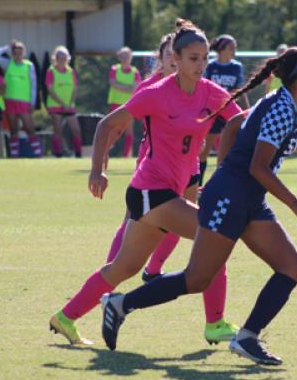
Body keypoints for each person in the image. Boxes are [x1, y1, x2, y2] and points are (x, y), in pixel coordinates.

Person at [100, 46, 297, 366]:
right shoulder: (281, 107)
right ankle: (120, 304)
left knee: (292, 267)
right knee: (197, 278)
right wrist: (296, 205)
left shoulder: (283, 103)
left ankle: (247, 338)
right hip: (232, 198)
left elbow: (235, 125)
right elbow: (258, 167)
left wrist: (224, 169)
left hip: (248, 198)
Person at [49, 19, 242, 346]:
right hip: (150, 191)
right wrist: (97, 170)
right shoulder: (155, 94)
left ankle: (65, 318)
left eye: (205, 57)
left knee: (122, 268)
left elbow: (239, 121)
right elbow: (106, 126)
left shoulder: (210, 92)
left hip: (163, 194)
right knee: (214, 235)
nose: (200, 65)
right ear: (175, 60)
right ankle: (215, 323)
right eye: (193, 58)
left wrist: (275, 132)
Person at [199, 34, 249, 185]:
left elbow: (241, 90)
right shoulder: (211, 66)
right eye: (231, 47)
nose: (234, 50)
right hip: (213, 112)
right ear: (221, 49)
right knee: (204, 151)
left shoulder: (236, 67)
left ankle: (222, 184)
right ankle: (198, 185)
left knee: (230, 150)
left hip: (229, 112)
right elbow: (204, 88)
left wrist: (246, 110)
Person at [0, 40, 41, 157]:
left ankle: (38, 155)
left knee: (29, 129)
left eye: (20, 53)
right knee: (14, 130)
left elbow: (33, 84)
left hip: (24, 102)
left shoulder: (29, 65)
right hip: (10, 101)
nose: (18, 56)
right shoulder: (8, 64)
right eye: (15, 53)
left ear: (24, 53)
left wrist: (32, 102)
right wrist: (6, 47)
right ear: (12, 54)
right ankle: (14, 156)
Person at [45, 46, 82, 157]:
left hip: (69, 106)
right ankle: (58, 153)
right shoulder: (51, 71)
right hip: (55, 106)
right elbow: (50, 90)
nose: (62, 60)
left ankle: (78, 154)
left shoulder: (71, 72)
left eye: (65, 58)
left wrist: (69, 104)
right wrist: (62, 103)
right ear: (55, 58)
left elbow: (75, 90)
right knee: (58, 130)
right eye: (60, 57)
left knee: (76, 130)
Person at [107, 46, 142, 157]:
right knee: (113, 130)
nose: (125, 58)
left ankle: (126, 155)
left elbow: (136, 87)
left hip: (129, 105)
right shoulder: (114, 69)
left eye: (127, 56)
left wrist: (121, 86)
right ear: (119, 57)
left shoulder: (135, 72)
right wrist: (128, 87)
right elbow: (113, 83)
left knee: (128, 131)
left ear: (131, 57)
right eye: (123, 55)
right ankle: (105, 151)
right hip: (115, 104)